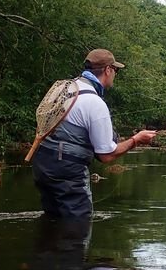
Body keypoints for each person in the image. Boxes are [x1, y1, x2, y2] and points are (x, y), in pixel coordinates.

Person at [32, 48, 156, 218]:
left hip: (42, 165)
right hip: (67, 172)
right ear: (108, 70)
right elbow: (106, 155)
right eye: (116, 70)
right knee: (77, 227)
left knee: (53, 222)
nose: (115, 75)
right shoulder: (94, 103)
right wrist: (136, 140)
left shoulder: (65, 88)